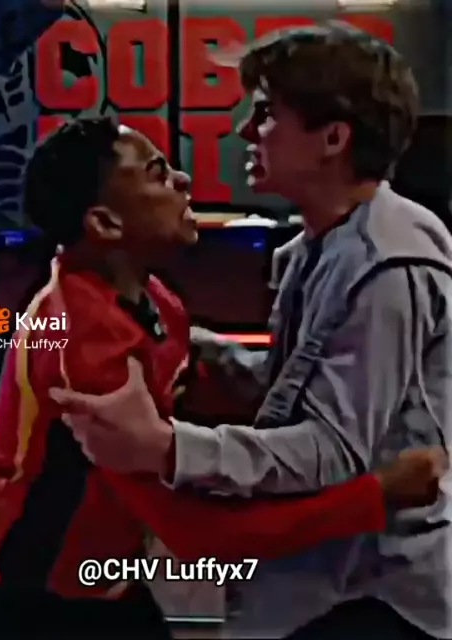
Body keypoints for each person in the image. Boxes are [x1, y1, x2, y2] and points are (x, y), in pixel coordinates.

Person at [50, 24, 452, 640]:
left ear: (333, 139)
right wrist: (193, 345)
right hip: (322, 581)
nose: (245, 131)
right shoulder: (321, 247)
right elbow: (300, 390)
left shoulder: (386, 267)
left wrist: (168, 446)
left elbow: (333, 450)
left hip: (376, 590)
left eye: (266, 115)